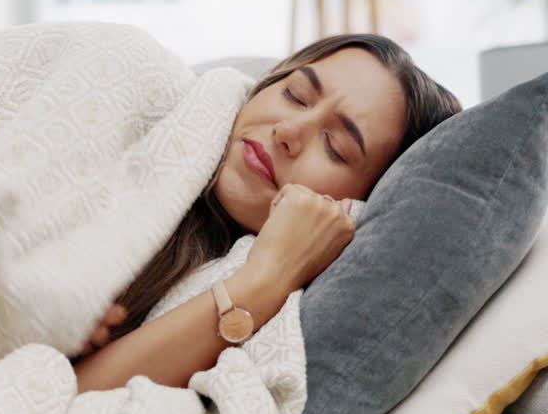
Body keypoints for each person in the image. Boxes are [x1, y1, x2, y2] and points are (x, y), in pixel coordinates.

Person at [72, 33, 462, 393]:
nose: (288, 131)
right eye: (295, 95)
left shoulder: (279, 306)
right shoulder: (136, 113)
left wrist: (271, 275)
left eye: (335, 147)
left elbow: (74, 394)